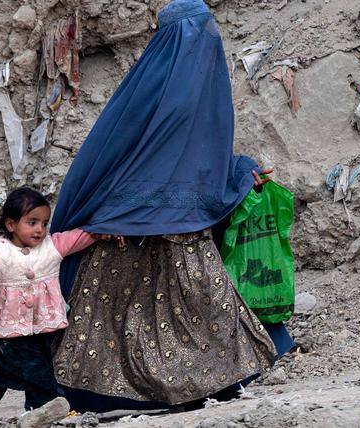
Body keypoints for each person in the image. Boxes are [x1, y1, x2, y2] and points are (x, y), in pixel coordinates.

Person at [48, 0, 279, 412]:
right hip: (135, 228)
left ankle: (187, 387)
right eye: (199, 31)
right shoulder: (173, 86)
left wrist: (241, 174)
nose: (206, 40)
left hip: (149, 221)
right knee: (158, 310)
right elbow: (127, 152)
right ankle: (131, 393)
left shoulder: (169, 82)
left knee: (186, 305)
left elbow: (199, 155)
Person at [0, 188, 115, 424]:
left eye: (44, 223)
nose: (40, 229)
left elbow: (80, 236)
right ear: (11, 224)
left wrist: (101, 233)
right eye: (32, 222)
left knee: (10, 375)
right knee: (24, 374)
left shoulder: (52, 246)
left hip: (42, 328)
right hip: (5, 333)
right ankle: (57, 408)